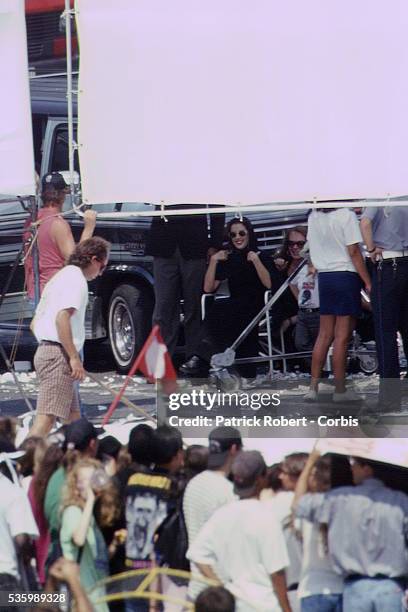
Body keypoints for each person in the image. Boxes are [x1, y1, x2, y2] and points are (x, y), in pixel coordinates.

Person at [293, 450, 408, 612]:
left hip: (355, 589)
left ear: (367, 469)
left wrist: (310, 463)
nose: (352, 469)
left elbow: (299, 505)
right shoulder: (400, 501)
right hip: (391, 588)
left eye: (355, 465)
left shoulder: (340, 499)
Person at [187, 450, 291, 612]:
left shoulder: (222, 514)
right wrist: (287, 609)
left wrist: (221, 587)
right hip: (265, 605)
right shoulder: (266, 517)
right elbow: (277, 573)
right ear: (260, 479)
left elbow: (196, 554)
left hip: (235, 604)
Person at [28, 236, 110, 437]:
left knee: (73, 419)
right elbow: (61, 318)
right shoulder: (76, 280)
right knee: (46, 420)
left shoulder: (61, 276)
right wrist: (73, 357)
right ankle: (19, 464)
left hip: (47, 350)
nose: (101, 274)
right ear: (93, 259)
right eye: (103, 267)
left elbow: (34, 323)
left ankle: (79, 457)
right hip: (58, 354)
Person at [180, 217, 273, 379]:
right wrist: (214, 260)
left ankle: (202, 358)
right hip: (235, 305)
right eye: (233, 234)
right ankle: (210, 358)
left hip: (257, 304)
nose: (238, 237)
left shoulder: (260, 255)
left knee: (223, 309)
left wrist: (256, 261)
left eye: (242, 233)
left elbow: (269, 284)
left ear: (249, 234)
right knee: (220, 307)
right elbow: (208, 288)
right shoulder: (229, 258)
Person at [146, 204, 225, 371]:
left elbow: (218, 203)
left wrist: (215, 243)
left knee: (195, 307)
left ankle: (195, 361)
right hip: (163, 244)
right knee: (163, 308)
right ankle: (158, 365)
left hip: (195, 243)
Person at [305, 208, 371, 402]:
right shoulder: (346, 215)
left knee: (324, 334)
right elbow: (353, 251)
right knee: (342, 337)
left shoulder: (314, 216)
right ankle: (339, 390)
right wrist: (367, 281)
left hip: (325, 277)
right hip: (345, 274)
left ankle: (313, 387)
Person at [124, 425, 184, 612]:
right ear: (177, 455)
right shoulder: (172, 487)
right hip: (158, 573)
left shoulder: (134, 480)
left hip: (131, 564)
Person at [183, 426, 242, 601]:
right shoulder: (229, 492)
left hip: (196, 587)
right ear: (233, 449)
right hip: (219, 590)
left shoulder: (193, 484)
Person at [360, 206, 408, 411]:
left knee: (385, 333)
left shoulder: (380, 191)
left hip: (387, 263)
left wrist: (370, 249)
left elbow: (365, 223)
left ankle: (390, 398)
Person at [24, 171, 97, 304]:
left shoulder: (31, 220)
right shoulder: (58, 224)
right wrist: (89, 227)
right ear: (62, 195)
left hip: (35, 293)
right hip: (54, 296)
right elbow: (76, 263)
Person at [60, 458, 120, 612]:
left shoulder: (89, 515)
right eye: (84, 480)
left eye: (93, 478)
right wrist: (90, 500)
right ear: (75, 485)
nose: (90, 484)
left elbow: (98, 560)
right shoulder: (73, 511)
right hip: (81, 598)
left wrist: (113, 544)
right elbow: (79, 539)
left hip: (95, 597)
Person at [291, 450, 345, 612]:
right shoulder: (347, 507)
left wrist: (309, 463)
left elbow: (296, 505)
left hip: (313, 588)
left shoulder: (310, 508)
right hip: (342, 588)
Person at [44, 418, 101, 571]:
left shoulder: (57, 474)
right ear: (92, 444)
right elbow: (75, 535)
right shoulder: (77, 478)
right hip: (71, 566)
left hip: (56, 558)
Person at [0, 438, 39, 596]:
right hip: (6, 580)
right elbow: (21, 539)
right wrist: (28, 553)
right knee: (58, 599)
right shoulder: (11, 492)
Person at [290, 263, 320, 370]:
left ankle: (321, 371)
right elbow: (292, 283)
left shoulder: (322, 268)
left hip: (318, 311)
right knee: (301, 343)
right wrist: (299, 298)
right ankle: (317, 369)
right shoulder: (300, 268)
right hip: (303, 312)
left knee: (319, 343)